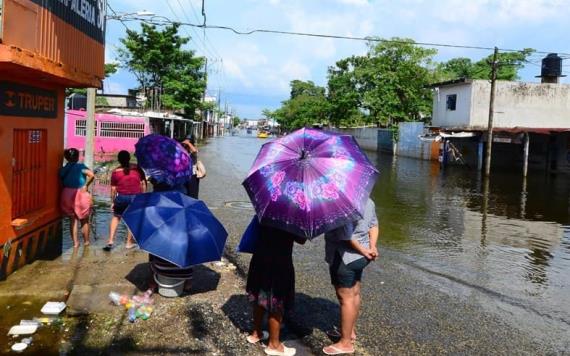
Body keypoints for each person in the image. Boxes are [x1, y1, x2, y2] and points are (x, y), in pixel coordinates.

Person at [322, 198, 379, 355]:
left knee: (345, 298)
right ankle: (350, 332)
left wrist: (364, 250)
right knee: (354, 292)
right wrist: (372, 247)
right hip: (362, 258)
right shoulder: (368, 200)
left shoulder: (341, 205)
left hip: (345, 257)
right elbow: (373, 225)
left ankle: (345, 343)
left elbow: (346, 236)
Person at [246, 224, 306, 356]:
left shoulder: (267, 208)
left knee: (258, 295)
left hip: (259, 258)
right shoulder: (292, 217)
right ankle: (274, 345)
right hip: (279, 262)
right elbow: (301, 239)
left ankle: (256, 333)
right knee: (276, 300)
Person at [103, 150, 146, 251]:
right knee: (132, 219)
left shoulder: (115, 172)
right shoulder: (137, 169)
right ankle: (128, 243)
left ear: (118, 160)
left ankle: (110, 241)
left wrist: (113, 202)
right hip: (135, 197)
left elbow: (113, 189)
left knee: (116, 217)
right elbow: (143, 184)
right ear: (129, 158)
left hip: (121, 197)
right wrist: (143, 197)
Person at [59, 148, 95, 248]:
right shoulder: (81, 167)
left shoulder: (64, 169)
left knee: (72, 220)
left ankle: (75, 244)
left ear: (66, 158)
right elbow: (91, 175)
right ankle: (86, 242)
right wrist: (86, 185)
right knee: (84, 220)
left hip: (66, 193)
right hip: (81, 193)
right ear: (77, 157)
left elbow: (60, 180)